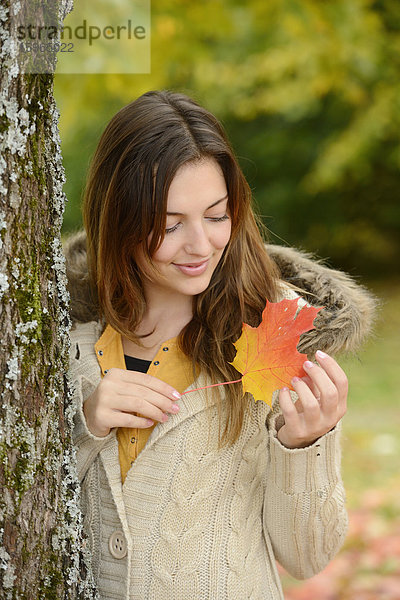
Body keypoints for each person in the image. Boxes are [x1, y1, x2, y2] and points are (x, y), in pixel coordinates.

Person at [65, 90, 376, 600]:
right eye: (169, 225)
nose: (201, 245)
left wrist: (304, 447)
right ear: (118, 219)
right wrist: (85, 425)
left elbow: (308, 557)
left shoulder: (277, 331)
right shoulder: (62, 340)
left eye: (216, 216)